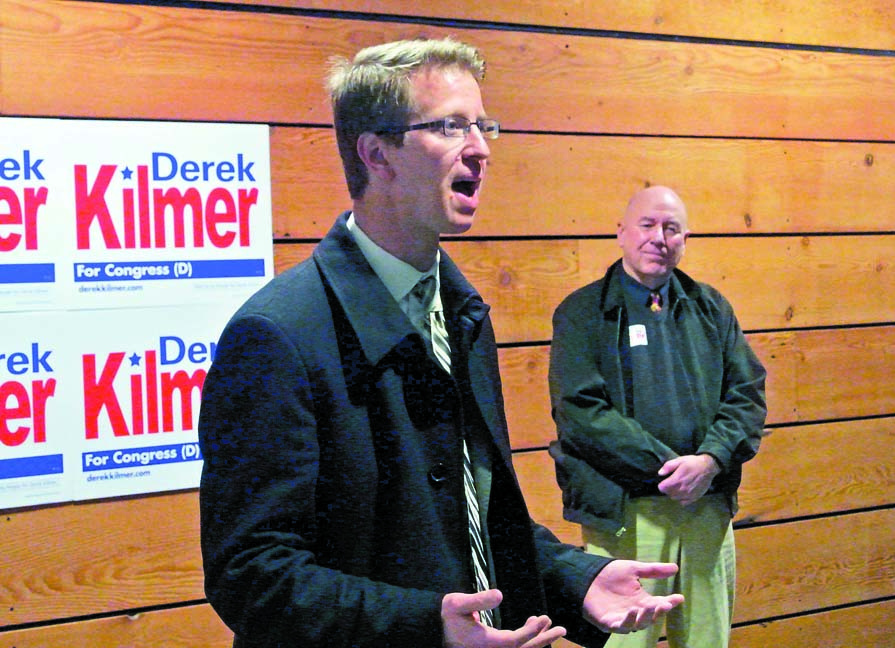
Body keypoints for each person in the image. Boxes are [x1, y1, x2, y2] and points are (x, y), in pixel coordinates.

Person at [197, 38, 684, 648]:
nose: (479, 148)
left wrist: (576, 575)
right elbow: (251, 577)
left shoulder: (461, 312)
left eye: (482, 125)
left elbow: (472, 517)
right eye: (451, 126)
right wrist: (426, 627)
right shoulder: (276, 336)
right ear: (377, 153)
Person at [548, 186, 767, 647]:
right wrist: (670, 467)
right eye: (647, 225)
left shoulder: (711, 308)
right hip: (626, 510)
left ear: (685, 238)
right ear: (622, 233)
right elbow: (581, 412)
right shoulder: (582, 313)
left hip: (706, 503)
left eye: (671, 228)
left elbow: (747, 394)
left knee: (708, 638)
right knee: (628, 641)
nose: (659, 238)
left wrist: (709, 461)